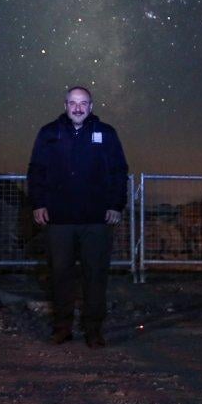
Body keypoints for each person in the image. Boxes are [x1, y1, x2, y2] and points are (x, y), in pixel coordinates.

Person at [26, 86, 129, 348]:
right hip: (59, 219)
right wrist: (38, 203)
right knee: (60, 275)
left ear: (91, 106)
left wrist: (116, 205)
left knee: (95, 276)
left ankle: (93, 330)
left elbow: (119, 171)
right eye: (73, 103)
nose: (78, 108)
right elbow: (36, 171)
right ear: (65, 105)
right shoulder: (49, 133)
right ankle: (62, 327)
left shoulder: (106, 134)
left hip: (96, 219)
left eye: (83, 103)